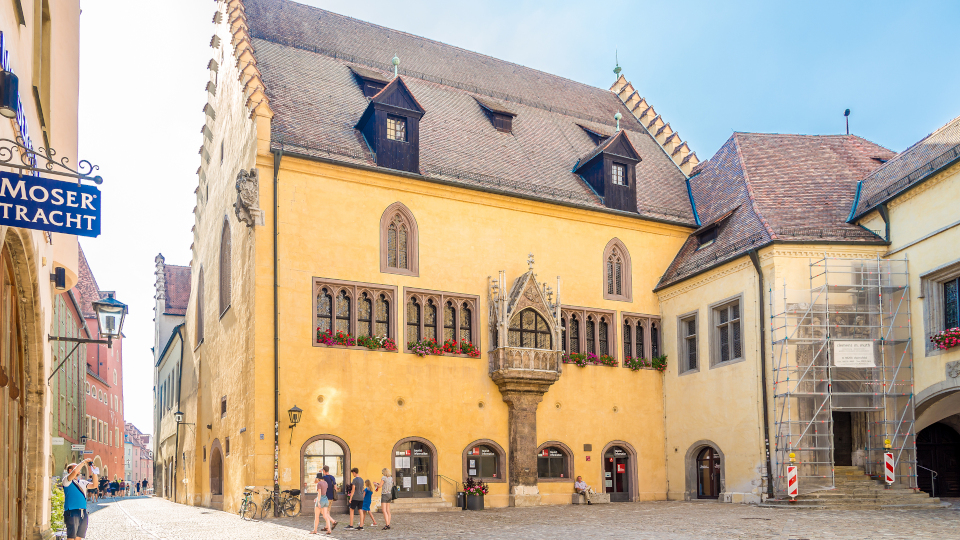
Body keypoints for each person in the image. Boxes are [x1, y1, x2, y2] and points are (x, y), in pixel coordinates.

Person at [63, 458, 98, 540]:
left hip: (83, 511)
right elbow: (75, 472)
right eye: (76, 467)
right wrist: (83, 462)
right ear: (70, 470)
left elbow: (94, 485)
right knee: (71, 537)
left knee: (79, 537)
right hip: (71, 510)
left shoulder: (82, 482)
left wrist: (94, 472)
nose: (79, 469)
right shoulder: (66, 480)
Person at [321, 466, 338, 532]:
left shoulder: (324, 477)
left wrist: (319, 473)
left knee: (324, 512)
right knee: (327, 511)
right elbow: (335, 488)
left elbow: (317, 481)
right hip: (331, 497)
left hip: (326, 497)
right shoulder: (332, 477)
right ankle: (327, 526)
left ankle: (333, 522)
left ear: (324, 470)